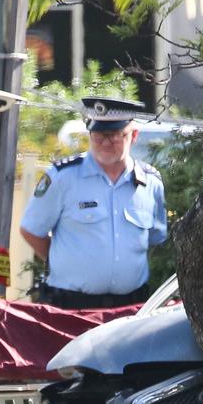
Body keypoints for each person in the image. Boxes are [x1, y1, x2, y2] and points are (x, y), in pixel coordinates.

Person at [20, 97, 168, 309]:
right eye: (98, 135)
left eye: (115, 135)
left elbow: (157, 239)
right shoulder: (63, 178)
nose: (105, 143)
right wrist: (63, 262)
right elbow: (31, 230)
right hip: (71, 307)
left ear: (133, 135)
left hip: (130, 308)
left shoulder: (150, 183)